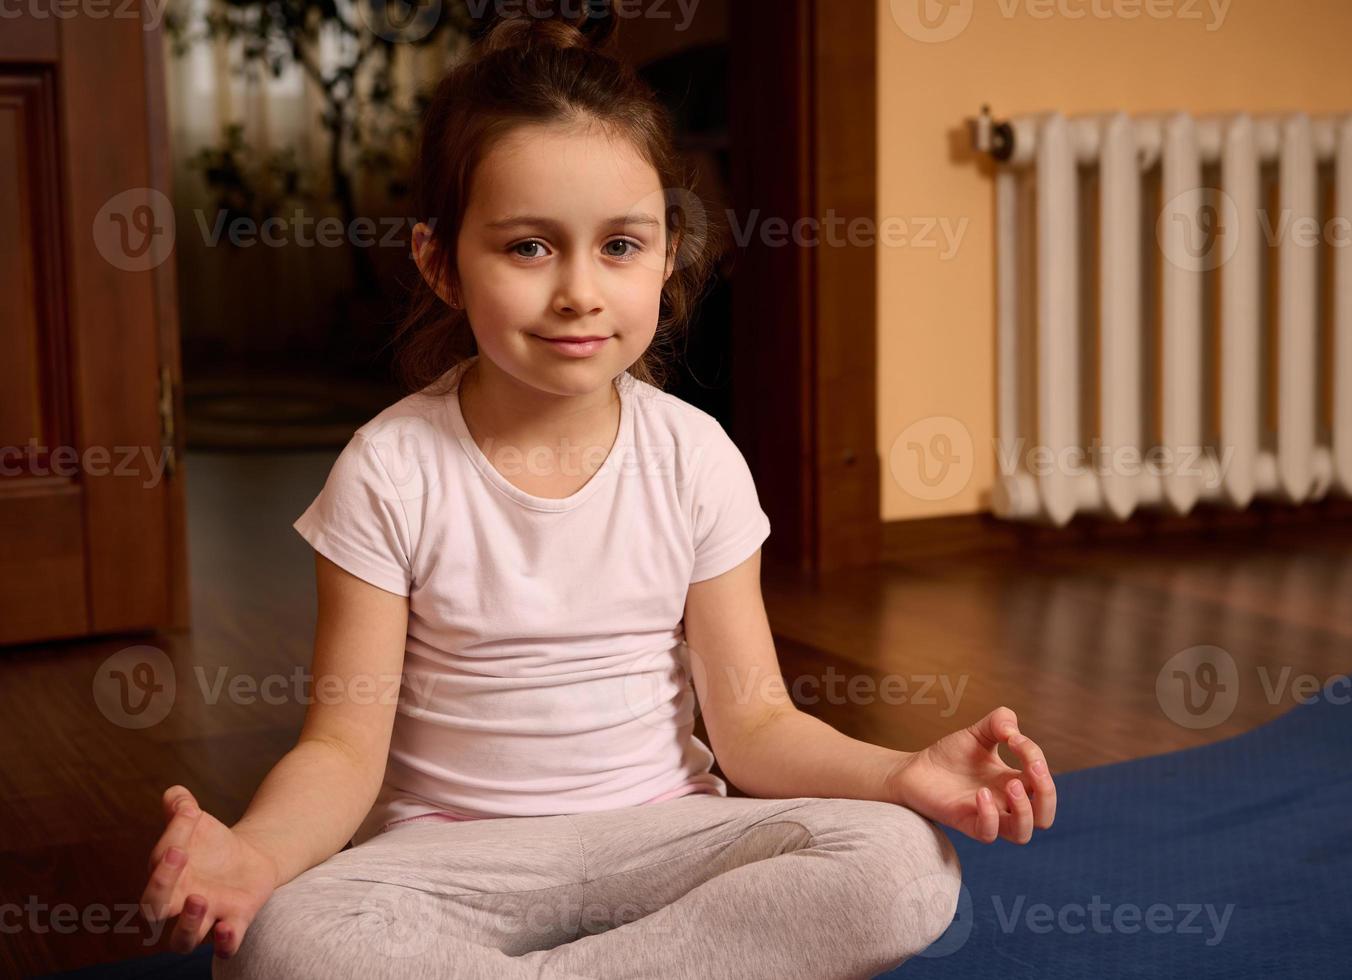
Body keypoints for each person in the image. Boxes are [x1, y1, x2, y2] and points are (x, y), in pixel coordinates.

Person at [139, 6, 1057, 978]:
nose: (580, 289)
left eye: (620, 245)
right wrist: (258, 851)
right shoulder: (388, 468)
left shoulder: (696, 457)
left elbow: (756, 727)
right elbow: (339, 753)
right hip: (450, 860)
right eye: (530, 247)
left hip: (663, 837)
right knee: (282, 945)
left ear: (668, 251)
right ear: (440, 262)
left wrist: (900, 773)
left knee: (905, 862)